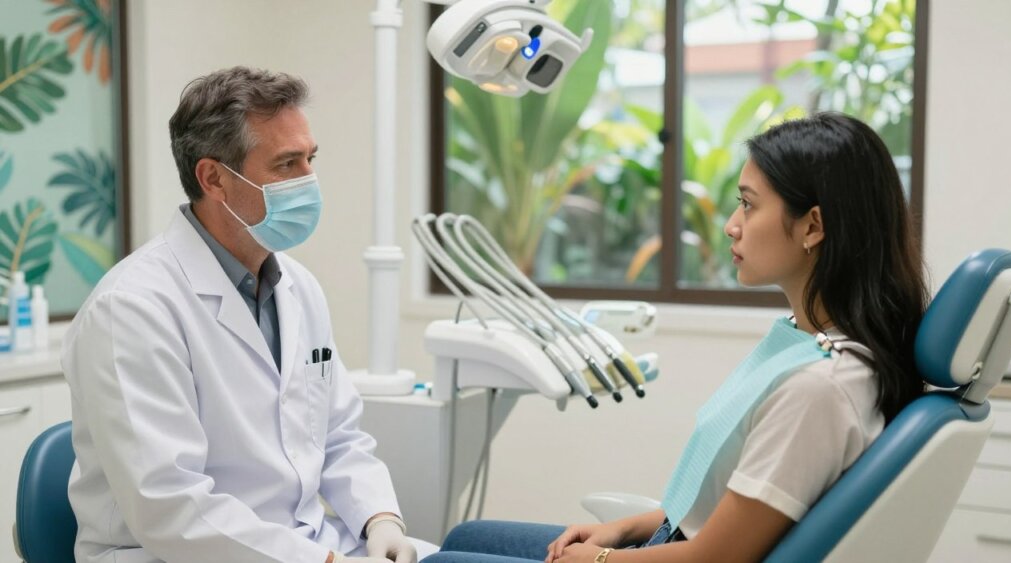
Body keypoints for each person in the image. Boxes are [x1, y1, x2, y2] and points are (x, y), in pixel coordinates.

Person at [421, 112, 928, 563]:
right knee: (468, 535)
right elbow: (718, 507)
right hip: (664, 540)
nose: (732, 226)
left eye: (749, 206)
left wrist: (599, 561)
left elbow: (717, 556)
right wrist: (622, 530)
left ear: (812, 226)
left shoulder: (820, 389)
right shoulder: (806, 343)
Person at [62, 66, 424, 563]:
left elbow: (337, 435)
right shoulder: (131, 309)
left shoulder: (298, 287)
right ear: (213, 178)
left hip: (311, 546)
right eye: (286, 164)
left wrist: (379, 518)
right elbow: (171, 508)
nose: (308, 182)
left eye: (310, 159)